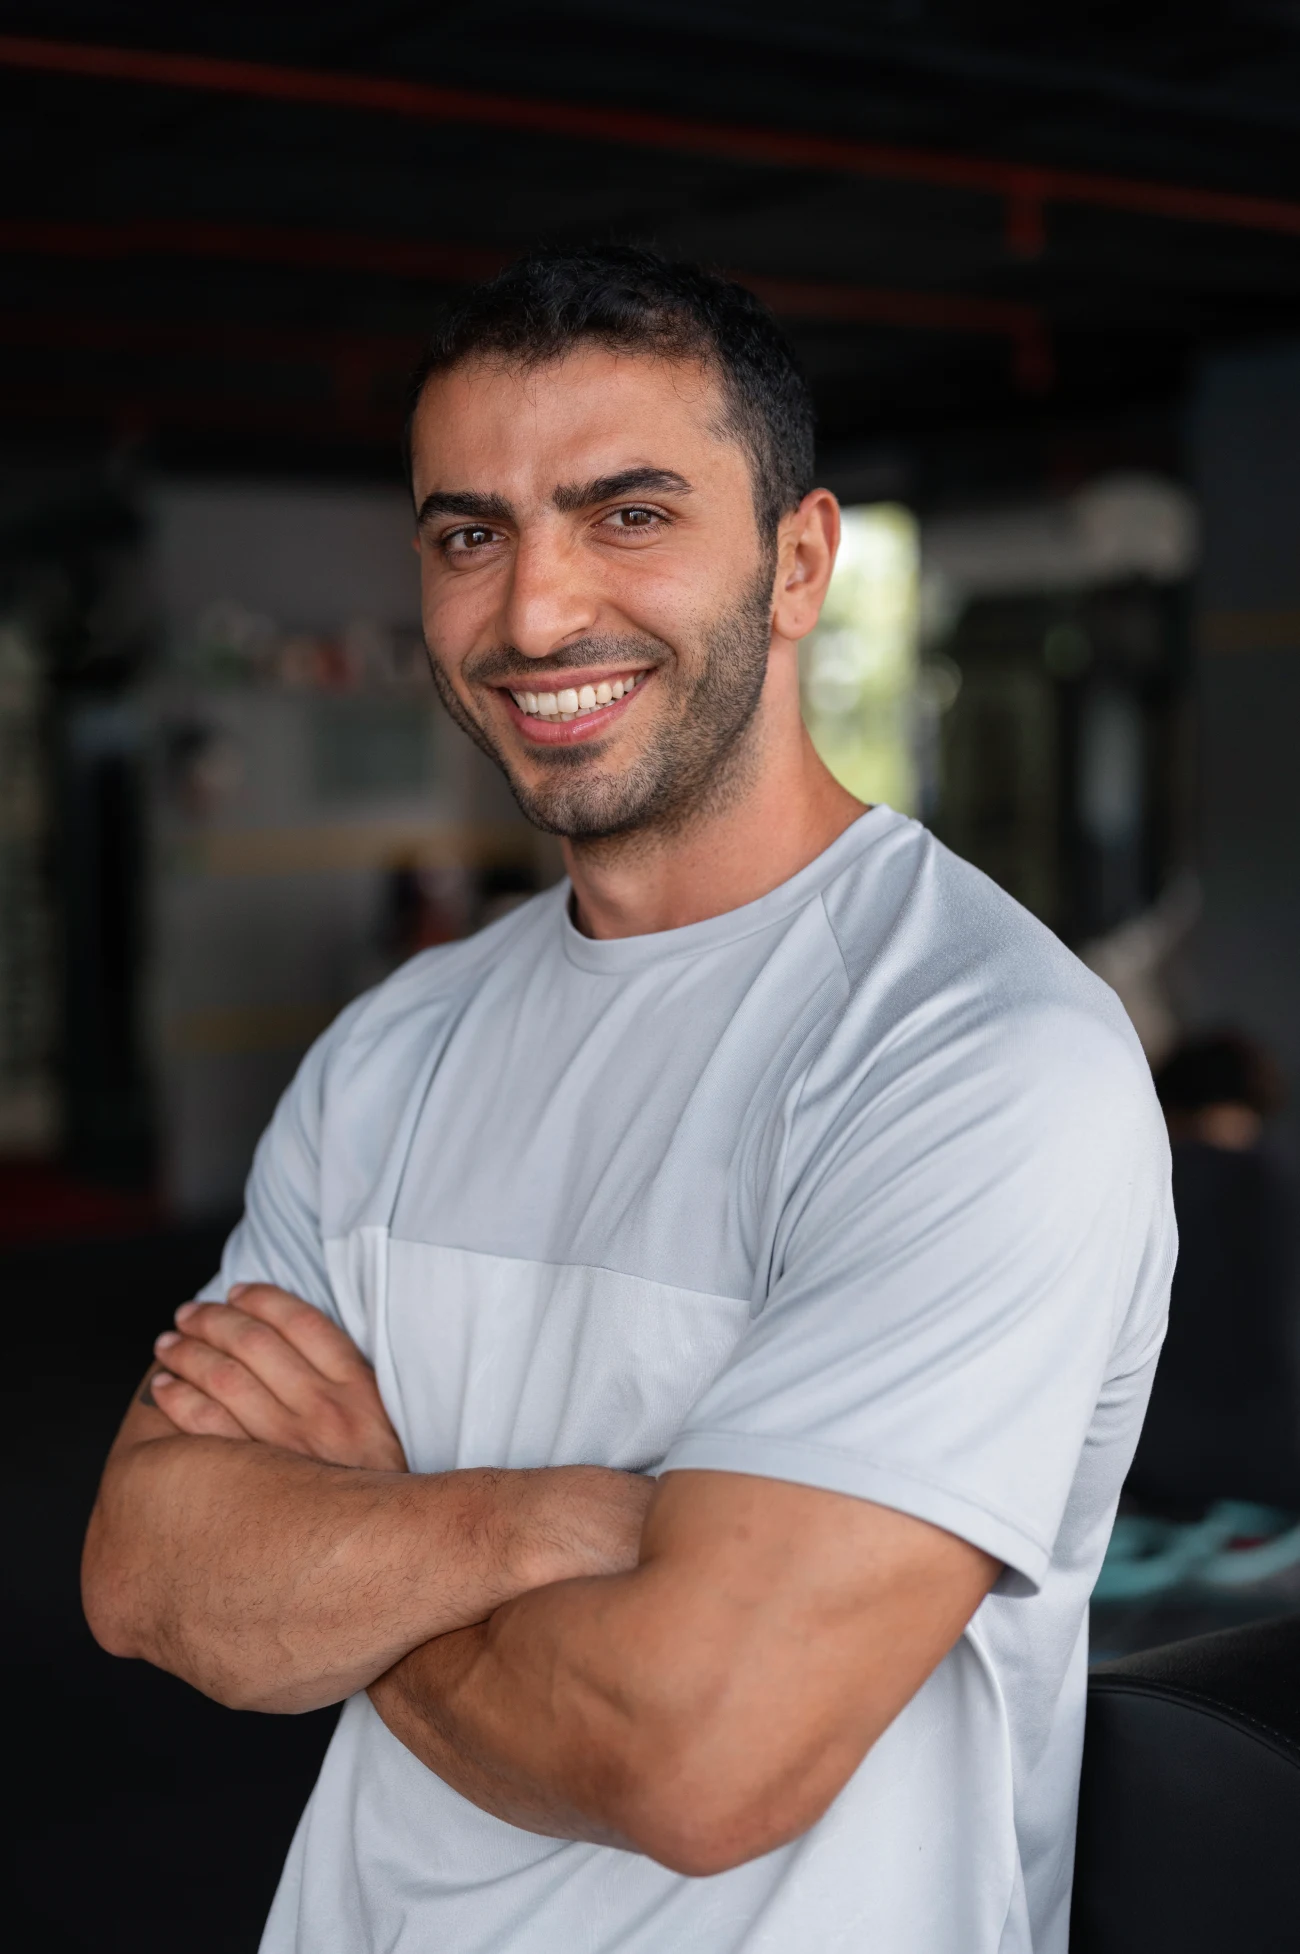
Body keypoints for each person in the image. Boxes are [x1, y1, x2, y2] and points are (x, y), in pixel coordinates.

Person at [82, 246, 1174, 1954]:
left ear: (798, 562)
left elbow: (699, 1754)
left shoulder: (977, 1055)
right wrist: (539, 1514)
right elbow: (148, 1566)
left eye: (630, 514)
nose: (533, 614)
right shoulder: (388, 1053)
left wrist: (363, 1527)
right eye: (471, 536)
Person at [1128, 1031, 1299, 1513]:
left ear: (1167, 1105)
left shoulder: (1146, 1185)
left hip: (1152, 1480)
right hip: (1281, 1485)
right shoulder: (1285, 1189)